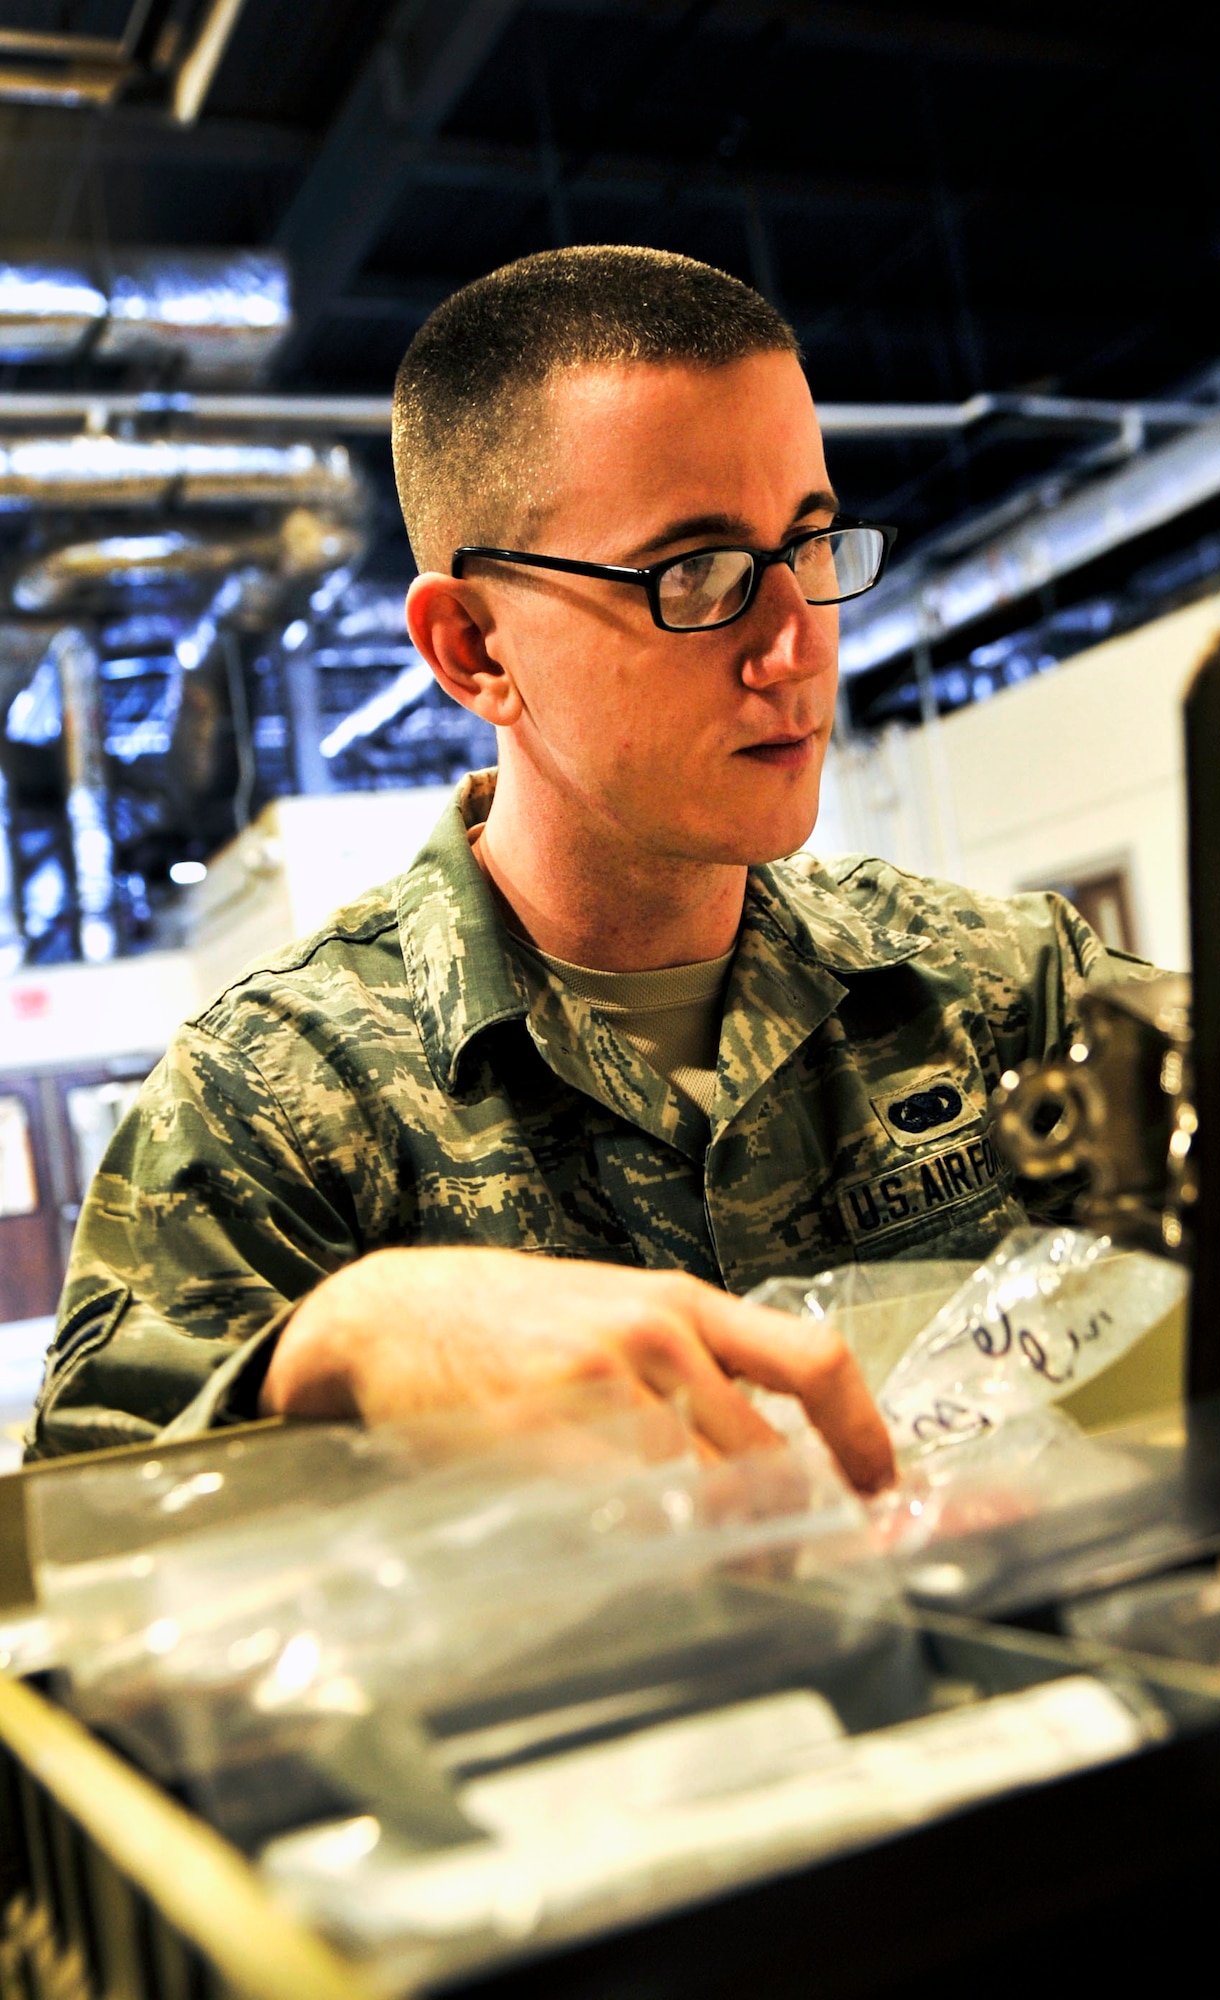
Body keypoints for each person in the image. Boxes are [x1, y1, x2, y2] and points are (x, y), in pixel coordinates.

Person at [31, 247, 1144, 1487]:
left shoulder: (1007, 991)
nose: (794, 645)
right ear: (472, 647)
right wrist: (336, 1345)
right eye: (697, 574)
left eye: (812, 544)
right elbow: (80, 1544)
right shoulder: (271, 1110)